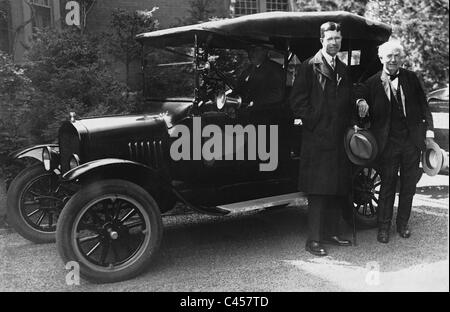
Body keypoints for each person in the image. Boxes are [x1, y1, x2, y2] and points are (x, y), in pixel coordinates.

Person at [355, 40, 434, 243]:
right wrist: (361, 102)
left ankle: (402, 225)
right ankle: (383, 228)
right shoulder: (372, 83)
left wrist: (430, 131)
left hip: (411, 143)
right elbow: (359, 96)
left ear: (401, 58)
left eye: (397, 56)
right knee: (387, 187)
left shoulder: (411, 78)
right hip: (387, 144)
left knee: (408, 186)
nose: (393, 60)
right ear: (381, 58)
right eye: (389, 56)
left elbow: (424, 105)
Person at [289, 22, 353, 256]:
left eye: (337, 38)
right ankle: (313, 240)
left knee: (336, 187)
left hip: (339, 139)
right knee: (317, 191)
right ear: (321, 41)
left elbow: (346, 99)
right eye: (330, 38)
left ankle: (332, 233)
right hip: (317, 139)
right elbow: (297, 102)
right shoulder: (308, 66)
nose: (334, 42)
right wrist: (316, 122)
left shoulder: (344, 69)